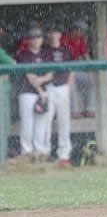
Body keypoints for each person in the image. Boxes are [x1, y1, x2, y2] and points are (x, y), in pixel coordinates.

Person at [15, 27, 53, 162]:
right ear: (29, 40)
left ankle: (40, 153)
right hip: (27, 92)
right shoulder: (23, 54)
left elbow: (51, 73)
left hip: (43, 92)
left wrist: (42, 81)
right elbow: (29, 75)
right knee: (27, 123)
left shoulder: (46, 54)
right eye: (33, 38)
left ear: (42, 39)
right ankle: (27, 153)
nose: (35, 40)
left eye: (38, 37)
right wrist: (41, 90)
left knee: (41, 124)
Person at [43, 25, 74, 167]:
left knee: (64, 122)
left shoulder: (66, 51)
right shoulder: (45, 51)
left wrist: (68, 86)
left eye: (57, 32)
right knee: (46, 121)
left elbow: (72, 69)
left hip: (62, 87)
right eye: (52, 32)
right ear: (48, 34)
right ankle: (45, 153)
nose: (54, 34)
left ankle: (64, 155)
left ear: (60, 34)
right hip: (49, 87)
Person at [61, 18, 97, 118]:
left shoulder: (80, 40)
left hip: (76, 69)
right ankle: (74, 110)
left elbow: (85, 55)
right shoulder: (63, 38)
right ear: (75, 29)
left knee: (91, 80)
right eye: (81, 30)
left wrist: (91, 69)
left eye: (83, 30)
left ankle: (90, 109)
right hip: (64, 70)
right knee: (71, 84)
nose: (82, 32)